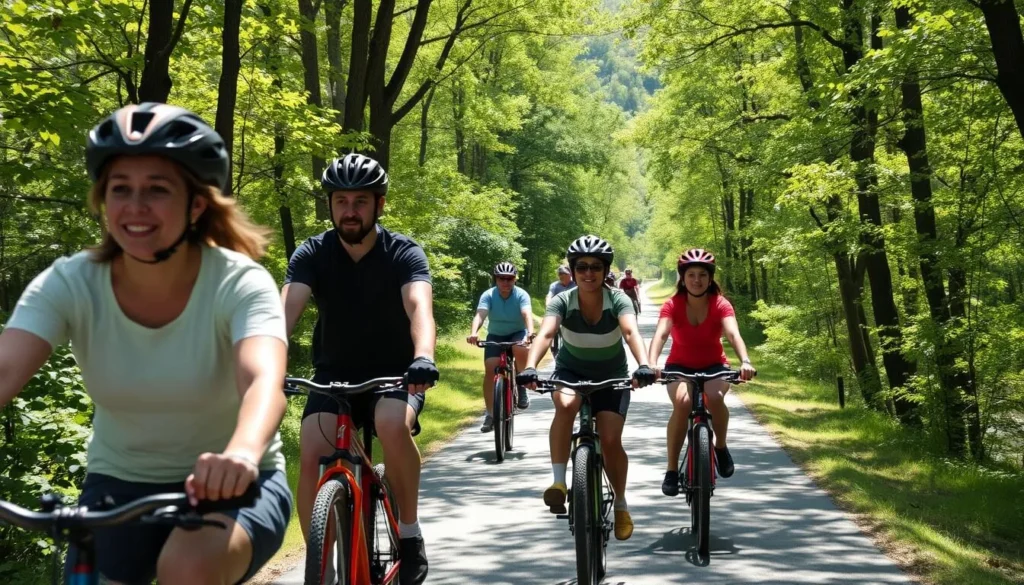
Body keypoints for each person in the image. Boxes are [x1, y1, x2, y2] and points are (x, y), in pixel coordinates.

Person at [0, 103, 292, 584]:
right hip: (119, 486)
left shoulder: (238, 282)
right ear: (102, 200)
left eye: (157, 189)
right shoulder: (70, 282)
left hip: (238, 485)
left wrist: (240, 454)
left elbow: (262, 381)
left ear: (196, 205)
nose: (135, 206)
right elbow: (7, 369)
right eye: (121, 189)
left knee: (188, 567)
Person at [280, 153, 438, 585]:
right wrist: (265, 362)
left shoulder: (403, 252)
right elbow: (286, 311)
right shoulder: (313, 253)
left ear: (379, 205)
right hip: (333, 375)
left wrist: (423, 355)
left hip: (397, 373)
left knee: (390, 424)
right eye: (341, 200)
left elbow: (419, 307)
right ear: (330, 205)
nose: (350, 211)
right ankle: (322, 558)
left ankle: (409, 532)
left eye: (361, 201)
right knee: (312, 448)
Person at [517, 235, 656, 541]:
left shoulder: (617, 299)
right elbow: (546, 333)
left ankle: (620, 504)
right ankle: (558, 482)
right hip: (570, 371)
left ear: (605, 270)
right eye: (582, 267)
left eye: (596, 267)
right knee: (565, 406)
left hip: (612, 375)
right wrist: (529, 367)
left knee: (609, 439)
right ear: (573, 269)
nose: (588, 273)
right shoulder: (562, 301)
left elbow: (631, 331)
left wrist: (643, 364)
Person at [646, 248, 756, 496]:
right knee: (683, 403)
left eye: (702, 275)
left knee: (714, 398)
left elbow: (732, 333)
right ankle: (672, 470)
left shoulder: (720, 304)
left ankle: (720, 446)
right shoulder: (672, 304)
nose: (697, 280)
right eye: (692, 275)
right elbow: (661, 334)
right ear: (683, 278)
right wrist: (650, 364)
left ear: (710, 278)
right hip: (680, 367)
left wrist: (745, 361)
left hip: (714, 365)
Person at [467, 262, 534, 432]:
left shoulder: (521, 295)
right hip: (496, 335)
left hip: (517, 332)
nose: (505, 282)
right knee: (491, 367)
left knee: (520, 349)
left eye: (509, 279)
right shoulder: (488, 295)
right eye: (501, 278)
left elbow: (527, 314)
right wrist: (474, 332)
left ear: (515, 280)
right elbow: (480, 315)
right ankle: (490, 414)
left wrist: (530, 333)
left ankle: (521, 386)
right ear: (495, 279)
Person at [545, 265, 575, 357]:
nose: (562, 276)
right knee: (551, 328)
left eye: (564, 274)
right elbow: (549, 296)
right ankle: (553, 349)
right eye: (560, 274)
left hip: (572, 311)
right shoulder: (554, 285)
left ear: (570, 275)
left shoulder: (575, 284)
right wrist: (548, 307)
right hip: (558, 311)